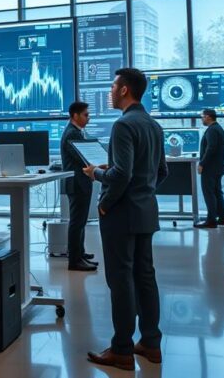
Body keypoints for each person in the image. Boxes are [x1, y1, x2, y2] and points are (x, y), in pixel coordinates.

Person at [82, 68, 165, 370]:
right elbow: (161, 172)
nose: (110, 92)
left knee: (121, 281)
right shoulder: (153, 126)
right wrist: (142, 192)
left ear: (125, 90)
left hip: (122, 215)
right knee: (145, 277)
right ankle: (151, 344)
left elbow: (121, 175)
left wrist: (98, 176)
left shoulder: (123, 125)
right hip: (145, 212)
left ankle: (121, 350)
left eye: (113, 86)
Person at [60, 101, 98, 272]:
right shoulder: (71, 134)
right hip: (77, 183)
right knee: (77, 222)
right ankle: (75, 260)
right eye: (86, 115)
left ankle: (80, 253)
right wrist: (98, 163)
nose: (88, 118)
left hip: (80, 182)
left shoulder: (75, 132)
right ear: (75, 115)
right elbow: (82, 158)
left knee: (80, 221)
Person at [194, 108, 224, 229]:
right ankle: (223, 219)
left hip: (210, 168)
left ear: (208, 116)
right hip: (218, 167)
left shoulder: (212, 130)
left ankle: (211, 220)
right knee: (217, 193)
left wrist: (202, 163)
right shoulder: (218, 129)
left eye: (202, 116)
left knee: (209, 193)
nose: (201, 119)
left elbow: (211, 148)